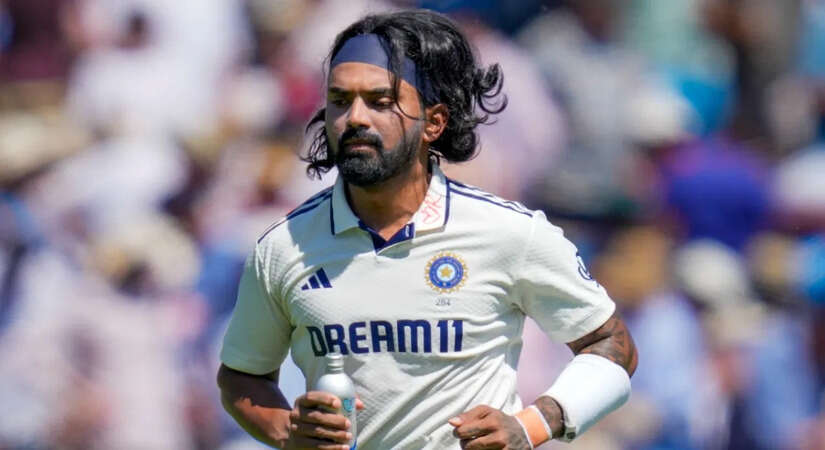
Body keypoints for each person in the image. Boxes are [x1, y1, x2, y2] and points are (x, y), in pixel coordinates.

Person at [217, 9, 638, 450]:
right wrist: (289, 431)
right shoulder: (283, 246)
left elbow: (612, 345)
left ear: (434, 123)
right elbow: (242, 376)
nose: (354, 117)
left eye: (380, 102)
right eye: (340, 100)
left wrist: (532, 425)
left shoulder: (510, 233)